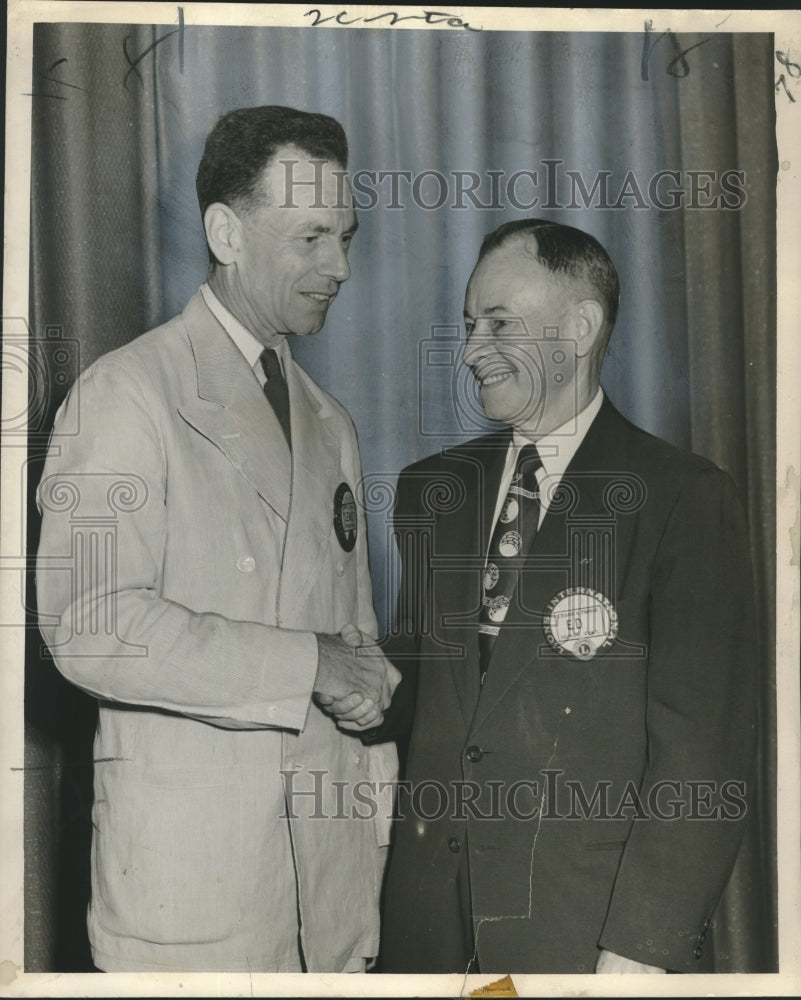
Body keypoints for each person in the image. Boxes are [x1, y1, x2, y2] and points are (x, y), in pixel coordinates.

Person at [35, 105, 400, 973]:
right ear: (225, 233)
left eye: (344, 236)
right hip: (195, 904)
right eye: (311, 237)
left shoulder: (330, 422)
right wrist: (309, 664)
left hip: (331, 899)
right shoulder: (123, 392)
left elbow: (347, 642)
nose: (340, 267)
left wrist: (367, 687)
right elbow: (88, 625)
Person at [373, 219, 757, 974]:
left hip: (579, 937)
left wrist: (640, 951)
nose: (473, 350)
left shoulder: (682, 499)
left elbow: (701, 755)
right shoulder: (431, 491)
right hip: (426, 931)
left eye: (499, 323)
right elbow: (435, 687)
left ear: (578, 328)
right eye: (467, 325)